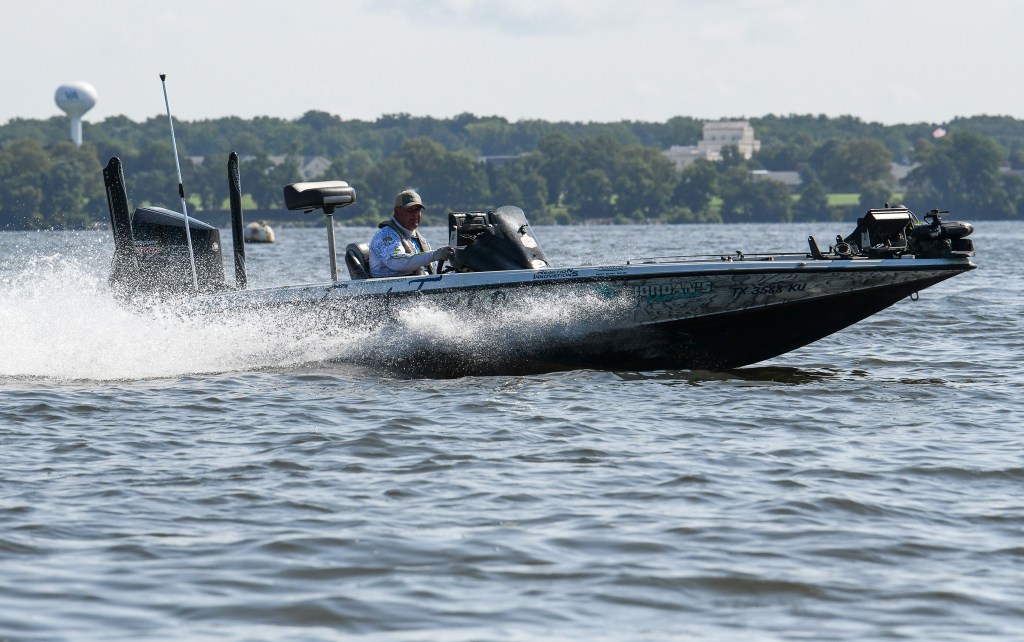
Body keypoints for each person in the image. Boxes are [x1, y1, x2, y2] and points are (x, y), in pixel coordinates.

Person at [368, 189, 455, 277]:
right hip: (390, 284)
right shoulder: (385, 235)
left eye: (418, 210)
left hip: (420, 283)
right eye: (410, 210)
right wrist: (434, 255)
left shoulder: (419, 239)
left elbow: (433, 270)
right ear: (397, 212)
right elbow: (397, 262)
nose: (415, 214)